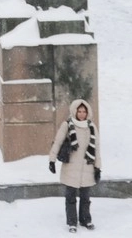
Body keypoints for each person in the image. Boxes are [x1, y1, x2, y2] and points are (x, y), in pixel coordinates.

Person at [48, 99, 100, 233]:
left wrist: (98, 167)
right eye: (79, 111)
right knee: (70, 196)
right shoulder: (67, 125)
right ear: (74, 111)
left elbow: (97, 149)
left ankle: (85, 219)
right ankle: (72, 222)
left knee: (85, 197)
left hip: (87, 167)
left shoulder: (91, 127)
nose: (82, 114)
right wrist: (52, 160)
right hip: (70, 167)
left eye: (84, 111)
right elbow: (58, 142)